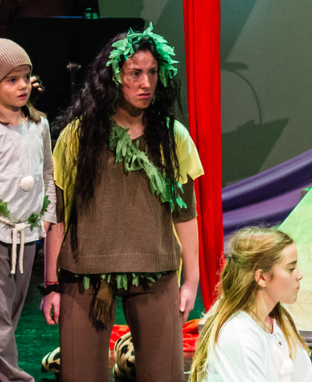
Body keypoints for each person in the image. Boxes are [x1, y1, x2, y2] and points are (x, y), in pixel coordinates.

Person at [43, 24, 203, 382]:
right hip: (86, 274)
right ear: (113, 77)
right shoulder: (78, 136)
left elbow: (186, 214)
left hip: (154, 270)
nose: (146, 83)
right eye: (135, 73)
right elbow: (57, 216)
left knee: (164, 376)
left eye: (153, 73)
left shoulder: (172, 136)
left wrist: (191, 280)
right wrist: (52, 284)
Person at [0, 34, 57, 382]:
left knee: (9, 314)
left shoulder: (39, 124)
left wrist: (47, 214)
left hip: (27, 233)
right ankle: (16, 378)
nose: (23, 86)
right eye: (12, 80)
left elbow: (47, 172)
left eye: (26, 77)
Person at [189, 227, 312, 382]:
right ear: (262, 278)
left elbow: (307, 379)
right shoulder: (238, 333)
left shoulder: (281, 319)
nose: (300, 275)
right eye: (291, 268)